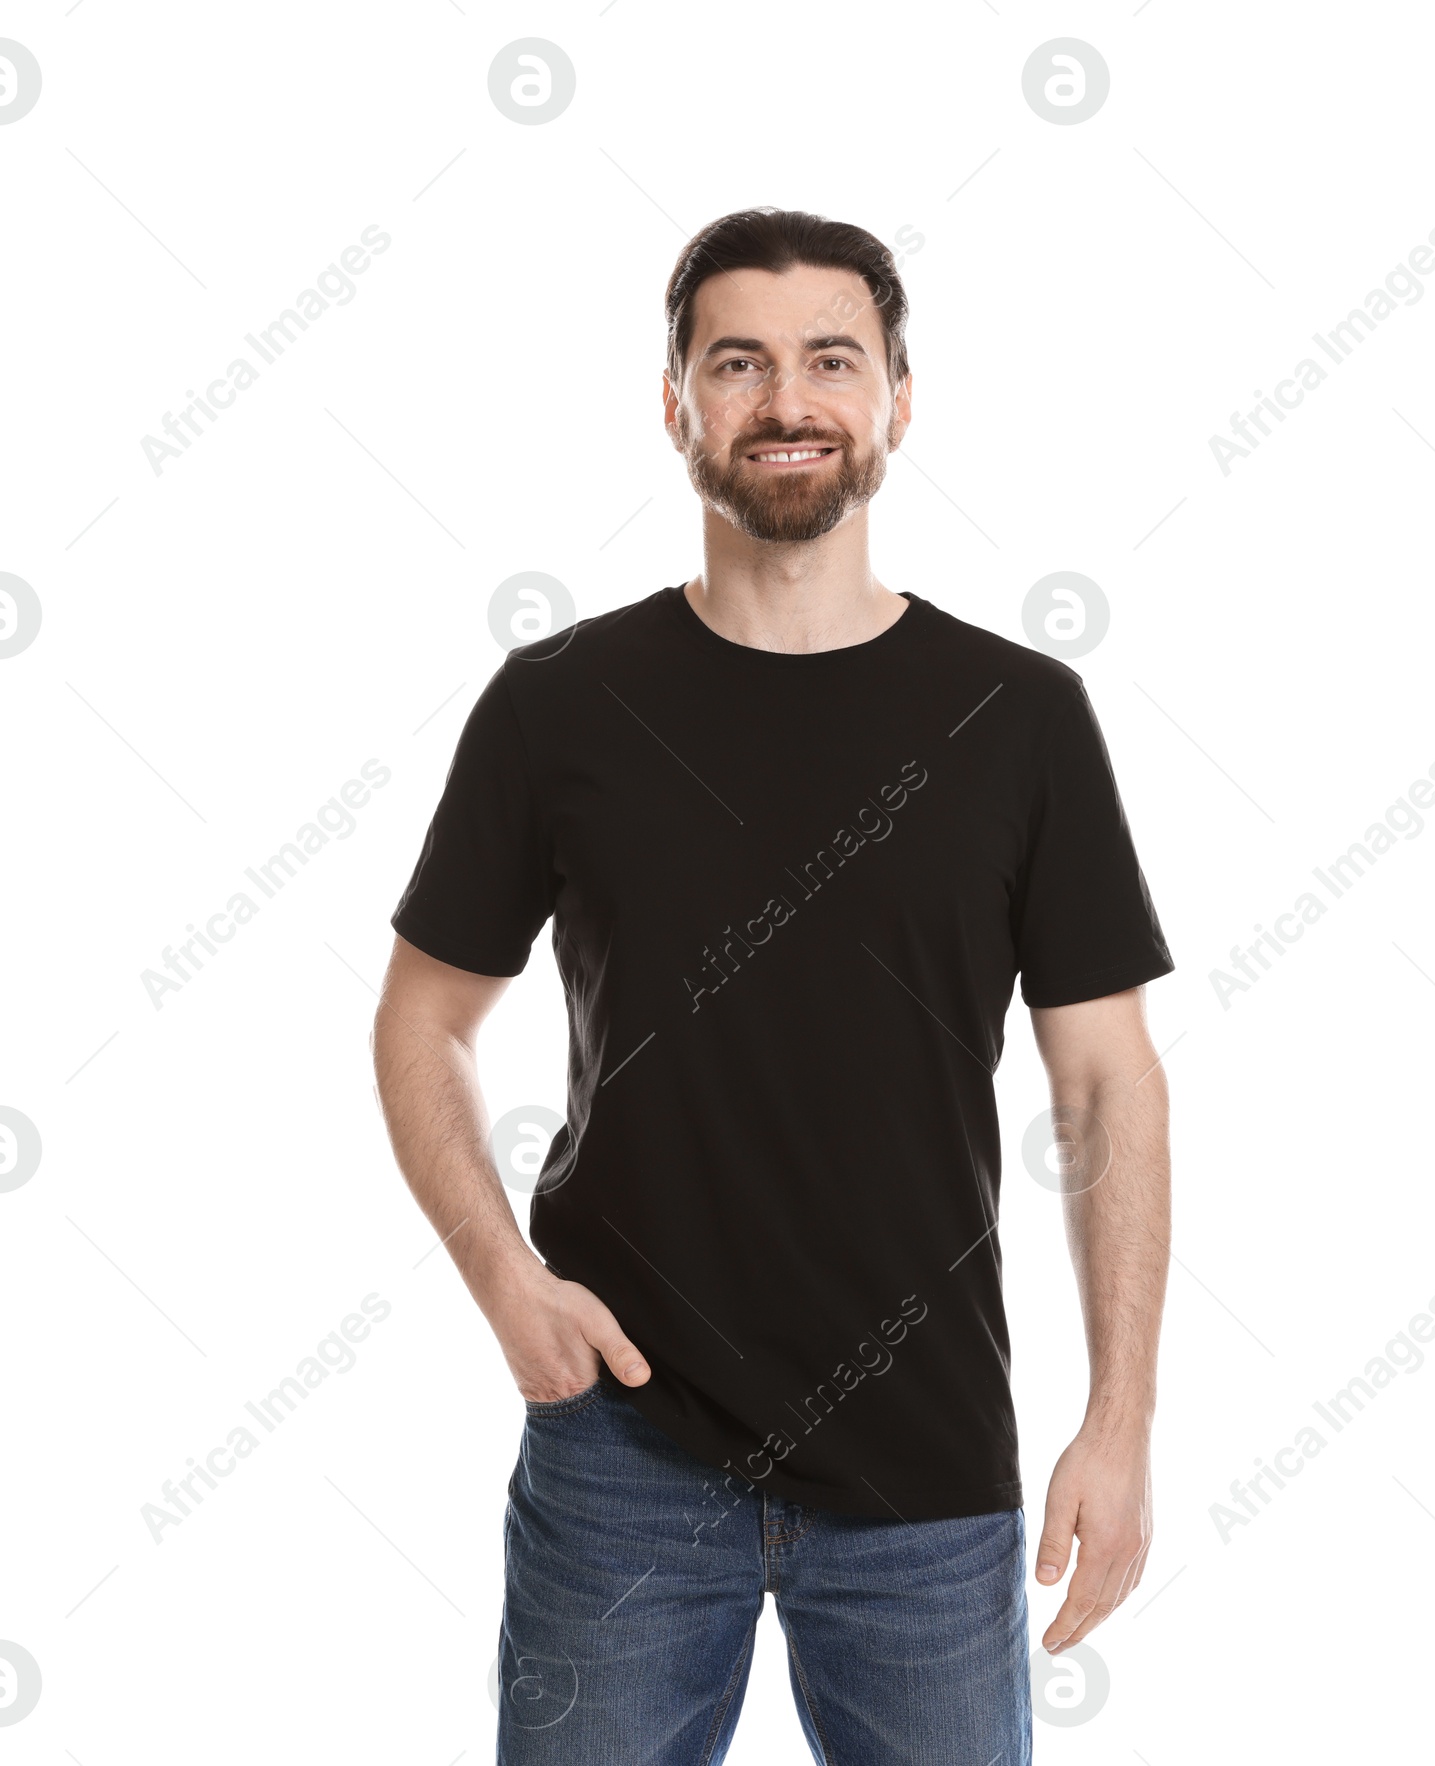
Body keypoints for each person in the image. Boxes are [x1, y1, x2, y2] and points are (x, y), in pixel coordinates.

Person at [372, 206, 1175, 1766]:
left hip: (929, 1467)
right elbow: (424, 1017)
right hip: (623, 1448)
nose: (785, 399)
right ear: (675, 401)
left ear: (897, 399)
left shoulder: (1018, 719)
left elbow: (1105, 1081)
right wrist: (501, 1280)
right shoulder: (560, 707)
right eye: (737, 361)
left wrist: (1122, 1415)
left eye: (830, 359)